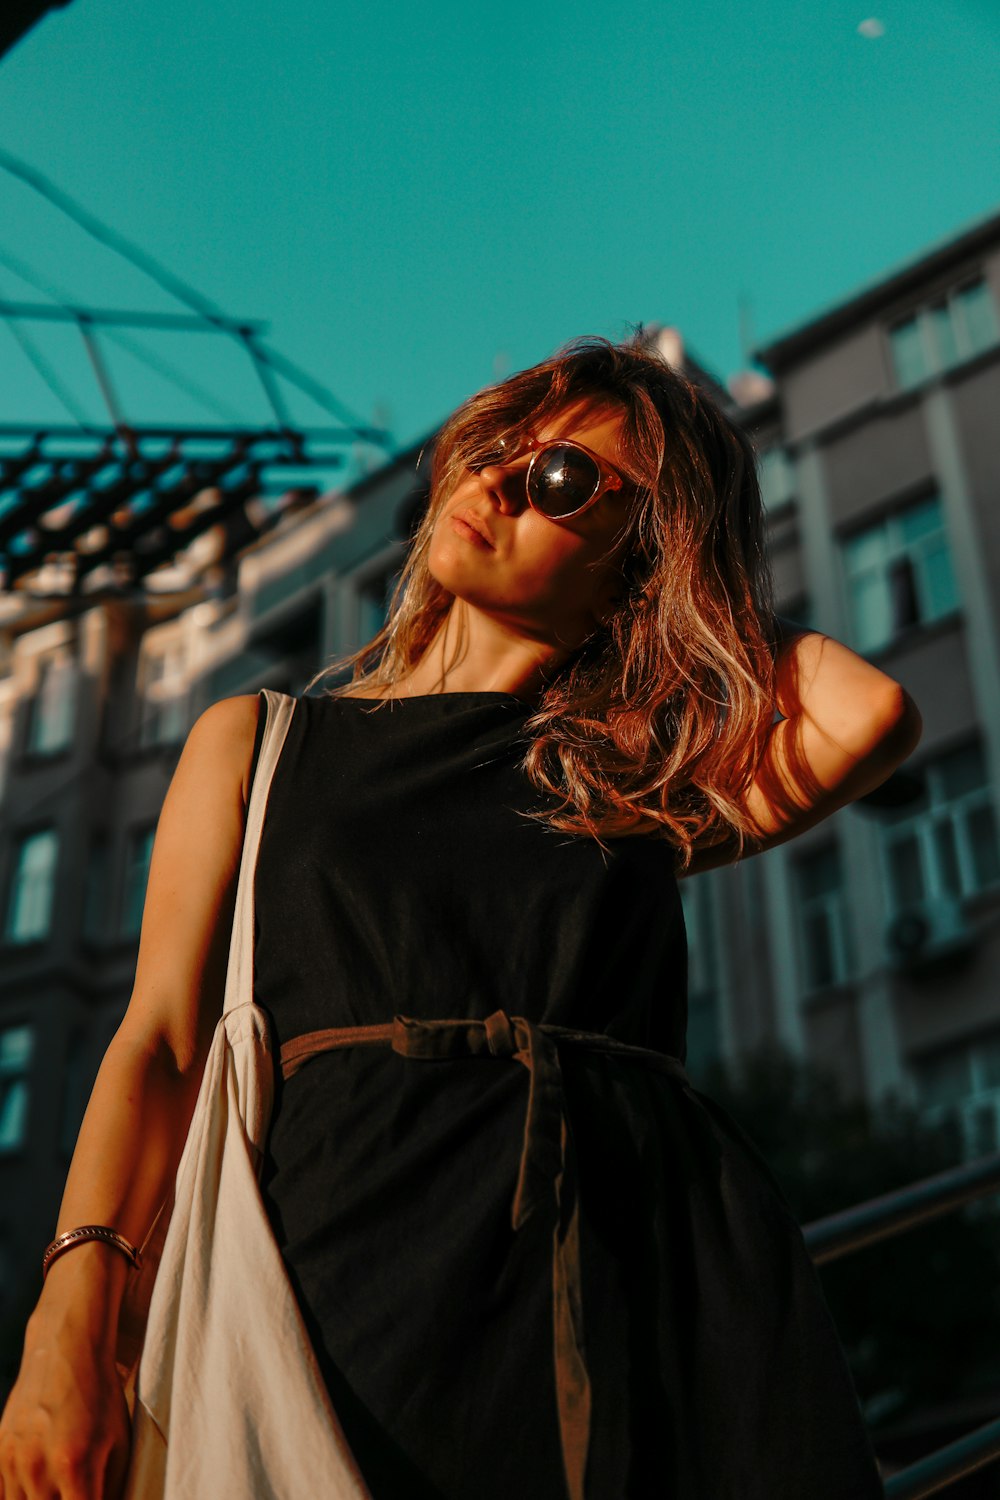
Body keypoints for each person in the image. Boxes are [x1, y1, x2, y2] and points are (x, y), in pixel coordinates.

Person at [0, 333, 920, 1499]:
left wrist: (678, 569)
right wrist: (69, 1317)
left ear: (644, 565)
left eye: (559, 481)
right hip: (335, 1276)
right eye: (495, 446)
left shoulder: (628, 781)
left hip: (628, 1283)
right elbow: (162, 1043)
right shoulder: (263, 740)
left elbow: (867, 709)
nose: (493, 479)